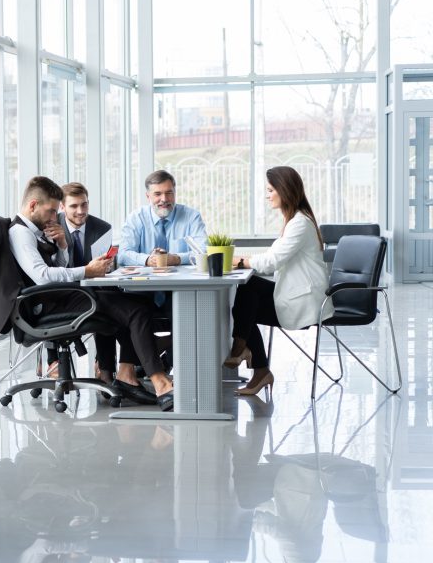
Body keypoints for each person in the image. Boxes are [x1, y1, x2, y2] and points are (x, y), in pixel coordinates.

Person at [8, 176, 174, 409]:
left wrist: (63, 246)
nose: (54, 216)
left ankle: (128, 375)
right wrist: (86, 270)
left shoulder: (35, 230)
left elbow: (57, 267)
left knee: (135, 304)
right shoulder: (21, 233)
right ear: (34, 205)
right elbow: (42, 276)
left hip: (61, 297)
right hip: (50, 304)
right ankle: (158, 382)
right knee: (133, 309)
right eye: (52, 210)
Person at [226, 166, 332, 395]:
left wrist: (241, 262)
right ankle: (246, 354)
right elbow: (273, 260)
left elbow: (272, 262)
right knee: (247, 296)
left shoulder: (300, 224)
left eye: (271, 189)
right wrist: (243, 262)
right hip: (296, 293)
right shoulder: (294, 220)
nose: (267, 195)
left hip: (307, 303)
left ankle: (245, 353)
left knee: (247, 300)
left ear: (284, 191)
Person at [41, 182, 115, 382]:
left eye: (84, 205)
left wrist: (107, 266)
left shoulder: (102, 228)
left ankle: (105, 364)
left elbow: (105, 268)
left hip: (94, 288)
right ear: (62, 207)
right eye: (74, 206)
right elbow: (53, 269)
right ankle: (52, 360)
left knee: (108, 302)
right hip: (62, 290)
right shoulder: (50, 226)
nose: (81, 211)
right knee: (52, 296)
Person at [118, 170, 208, 269]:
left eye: (169, 193)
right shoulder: (136, 218)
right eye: (157, 194)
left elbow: (203, 251)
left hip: (184, 281)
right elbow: (123, 255)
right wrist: (148, 260)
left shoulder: (192, 217)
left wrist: (176, 259)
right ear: (148, 196)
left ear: (175, 193)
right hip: (146, 281)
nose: (164, 199)